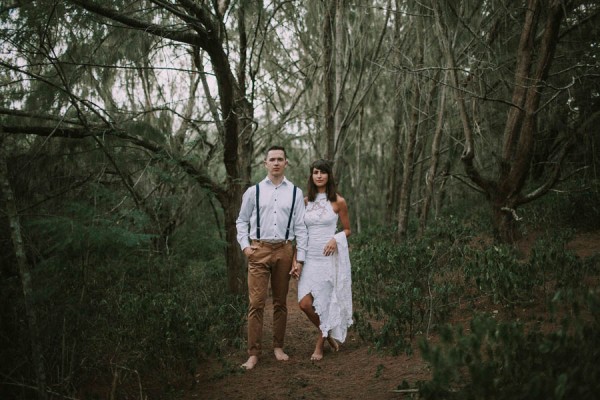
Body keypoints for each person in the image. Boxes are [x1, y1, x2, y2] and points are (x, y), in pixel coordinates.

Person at [236, 145, 308, 370]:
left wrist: (300, 258)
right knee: (256, 303)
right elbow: (241, 221)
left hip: (284, 250)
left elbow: (301, 227)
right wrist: (245, 247)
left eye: (280, 159)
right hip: (259, 250)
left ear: (286, 163)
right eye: (272, 159)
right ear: (265, 163)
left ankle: (278, 347)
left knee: (280, 302)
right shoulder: (253, 191)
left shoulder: (295, 192)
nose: (276, 163)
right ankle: (253, 353)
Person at [295, 158, 353, 361]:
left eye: (323, 172)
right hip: (309, 258)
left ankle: (320, 344)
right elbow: (299, 232)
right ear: (311, 176)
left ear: (329, 176)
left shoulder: (338, 201)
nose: (319, 175)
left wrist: (335, 239)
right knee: (304, 304)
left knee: (326, 303)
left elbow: (347, 229)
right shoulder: (304, 202)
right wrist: (297, 259)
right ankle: (327, 332)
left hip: (328, 258)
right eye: (315, 172)